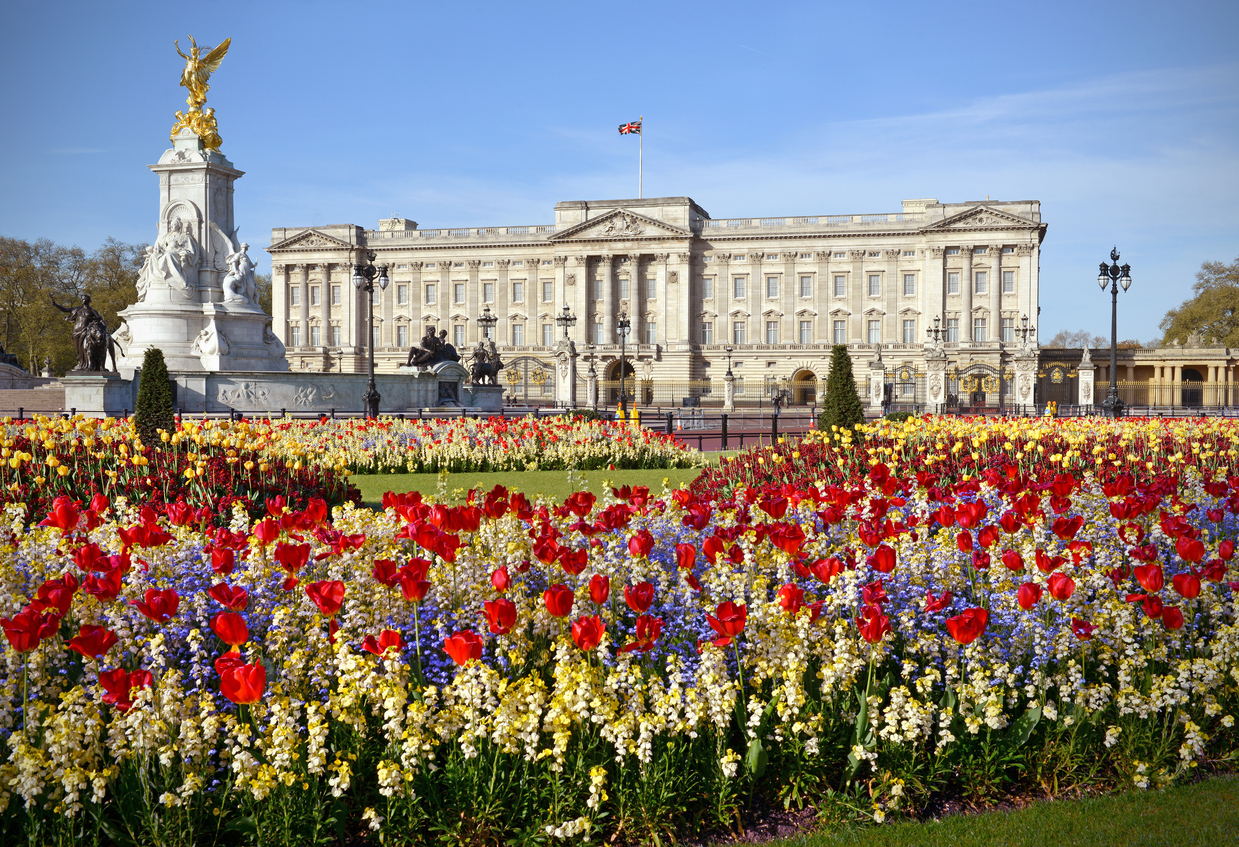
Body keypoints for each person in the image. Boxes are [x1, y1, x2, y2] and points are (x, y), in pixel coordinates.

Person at [50, 294, 105, 371]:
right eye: (82, 299)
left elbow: (99, 319)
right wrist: (55, 305)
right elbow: (65, 309)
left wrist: (102, 325)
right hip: (76, 332)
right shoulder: (78, 309)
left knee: (85, 347)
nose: (82, 300)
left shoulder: (93, 311)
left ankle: (89, 364)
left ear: (88, 300)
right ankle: (81, 364)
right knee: (78, 350)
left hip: (86, 331)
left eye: (84, 299)